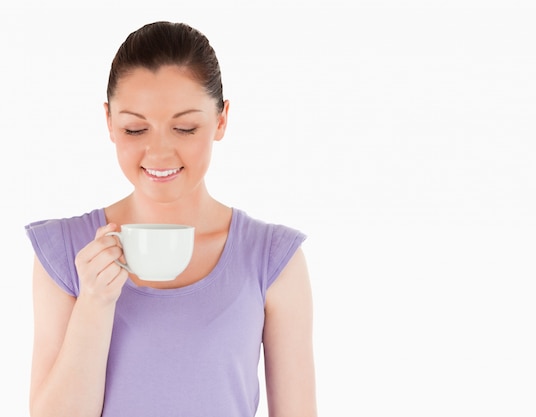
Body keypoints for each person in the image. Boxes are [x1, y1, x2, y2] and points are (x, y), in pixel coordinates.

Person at [24, 21, 317, 417]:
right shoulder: (64, 254)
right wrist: (94, 302)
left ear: (221, 120)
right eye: (135, 128)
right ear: (109, 122)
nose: (159, 154)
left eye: (184, 128)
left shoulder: (271, 260)